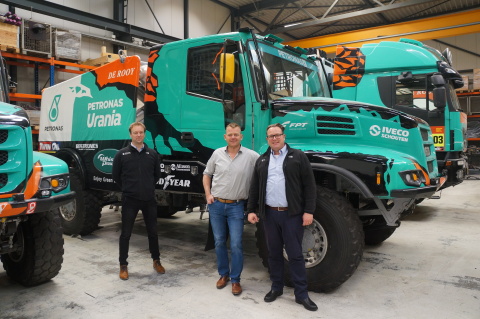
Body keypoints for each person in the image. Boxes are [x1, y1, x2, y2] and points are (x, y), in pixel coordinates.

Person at [246, 123, 318, 311]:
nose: (275, 139)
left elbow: (310, 186)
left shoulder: (298, 157)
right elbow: (255, 188)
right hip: (269, 215)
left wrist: (309, 211)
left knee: (295, 255)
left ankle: (301, 294)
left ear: (284, 136)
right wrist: (251, 210)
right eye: (271, 136)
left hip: (291, 215)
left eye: (277, 135)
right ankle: (276, 288)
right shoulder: (262, 160)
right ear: (267, 139)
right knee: (274, 254)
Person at [203, 122, 259, 296]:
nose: (233, 137)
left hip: (236, 206)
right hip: (216, 205)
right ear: (225, 137)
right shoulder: (217, 154)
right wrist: (208, 194)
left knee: (236, 244)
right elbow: (207, 174)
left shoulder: (252, 156)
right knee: (219, 241)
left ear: (241, 137)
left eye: (236, 134)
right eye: (230, 134)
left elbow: (264, 169)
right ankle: (223, 275)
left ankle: (236, 280)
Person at [112, 122, 165, 280]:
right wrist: (128, 189)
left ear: (144, 134)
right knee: (126, 234)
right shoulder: (121, 155)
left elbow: (157, 176)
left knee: (153, 233)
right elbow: (116, 176)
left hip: (149, 200)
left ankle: (156, 261)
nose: (138, 135)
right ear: (130, 134)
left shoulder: (152, 154)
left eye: (141, 132)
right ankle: (123, 265)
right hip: (130, 200)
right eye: (135, 133)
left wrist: (147, 187)